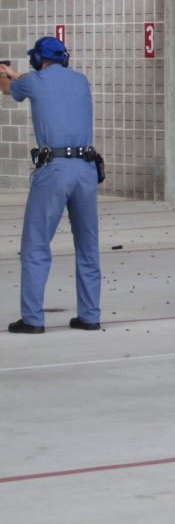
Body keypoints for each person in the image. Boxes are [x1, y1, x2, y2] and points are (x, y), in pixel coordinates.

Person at [1, 37, 103, 333]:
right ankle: (90, 315)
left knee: (35, 244)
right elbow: (43, 87)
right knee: (87, 245)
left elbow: (11, 89)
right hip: (86, 170)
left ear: (37, 58)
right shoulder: (80, 80)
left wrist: (3, 74)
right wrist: (19, 75)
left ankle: (32, 319)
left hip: (54, 169)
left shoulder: (32, 82)